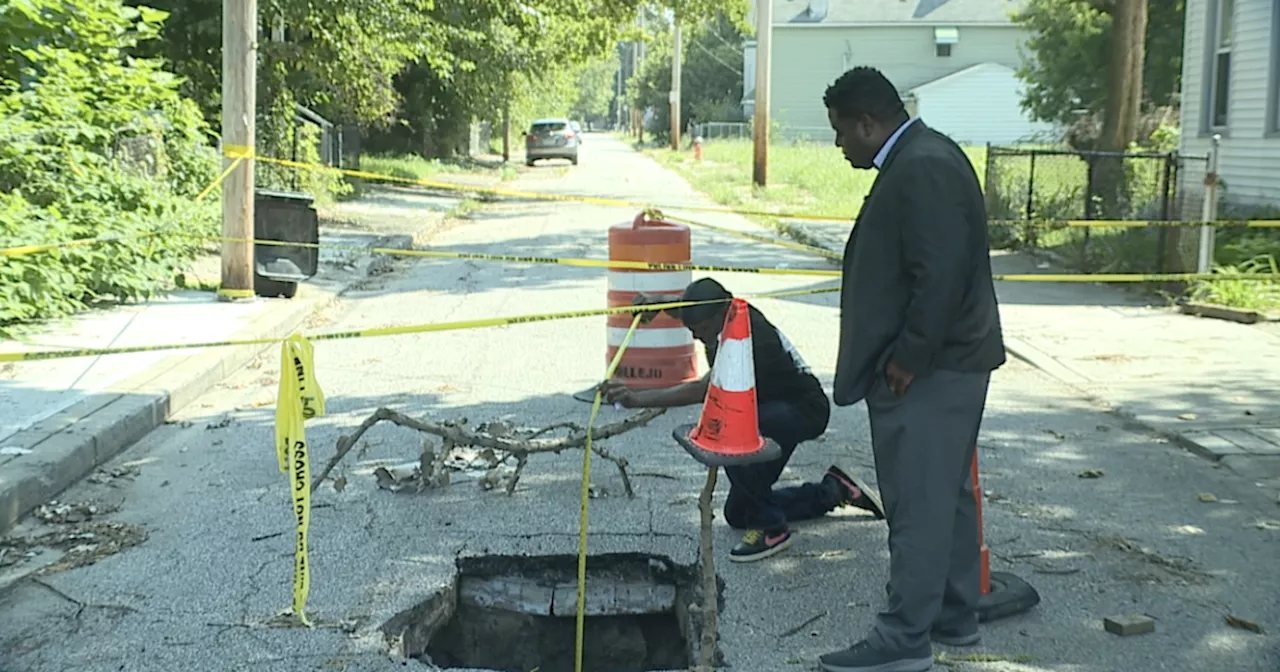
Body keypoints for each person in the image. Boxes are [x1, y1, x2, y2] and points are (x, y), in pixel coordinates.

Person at [817, 67, 1007, 672]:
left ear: (869, 123)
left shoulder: (922, 164)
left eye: (843, 132)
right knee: (944, 495)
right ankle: (952, 613)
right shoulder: (924, 156)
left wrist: (906, 359)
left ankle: (903, 639)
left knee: (918, 503)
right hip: (946, 365)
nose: (840, 144)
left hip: (932, 370)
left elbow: (941, 273)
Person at [599, 278, 885, 563]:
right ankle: (833, 490)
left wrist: (636, 398)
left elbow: (703, 390)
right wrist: (661, 304)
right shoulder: (726, 311)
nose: (698, 338)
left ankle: (772, 530)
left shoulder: (746, 337)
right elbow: (692, 309)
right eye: (692, 330)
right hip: (770, 407)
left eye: (702, 330)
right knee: (738, 513)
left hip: (801, 409)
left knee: (729, 433)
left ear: (719, 315)